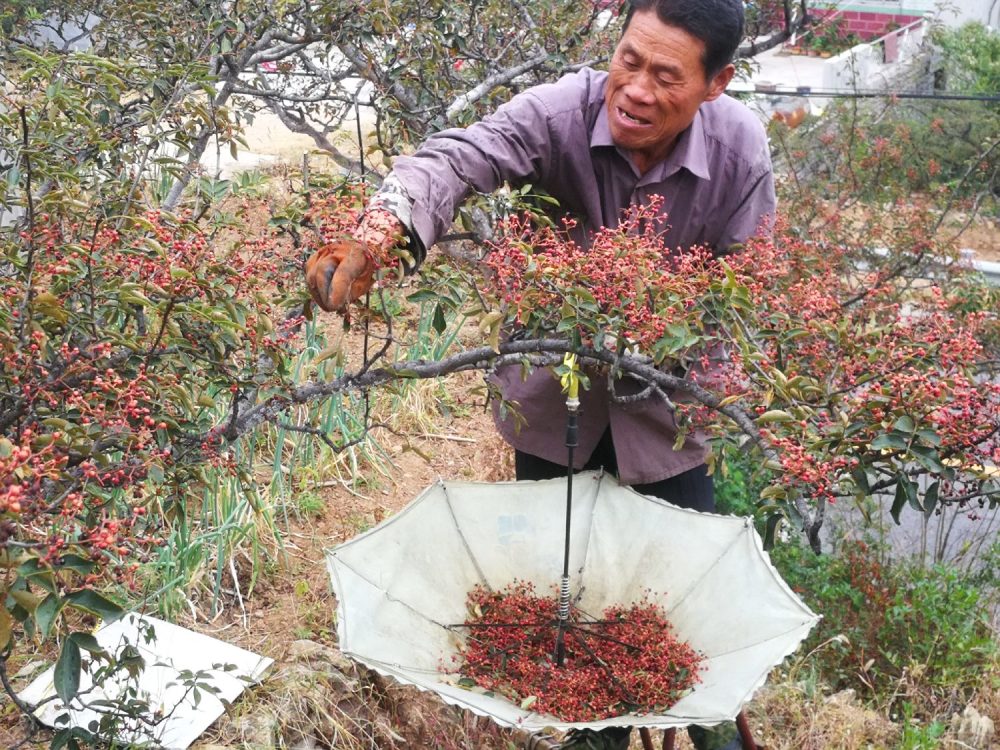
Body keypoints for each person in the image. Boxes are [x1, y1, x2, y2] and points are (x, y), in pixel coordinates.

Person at [307, 0, 774, 747]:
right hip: (556, 413)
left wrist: (665, 333)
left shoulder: (740, 147)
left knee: (691, 620)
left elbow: (750, 283)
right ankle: (598, 736)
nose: (636, 90)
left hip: (669, 415)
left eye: (665, 75)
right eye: (629, 59)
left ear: (715, 84)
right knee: (572, 613)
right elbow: (456, 157)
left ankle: (716, 732)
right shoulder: (557, 113)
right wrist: (376, 234)